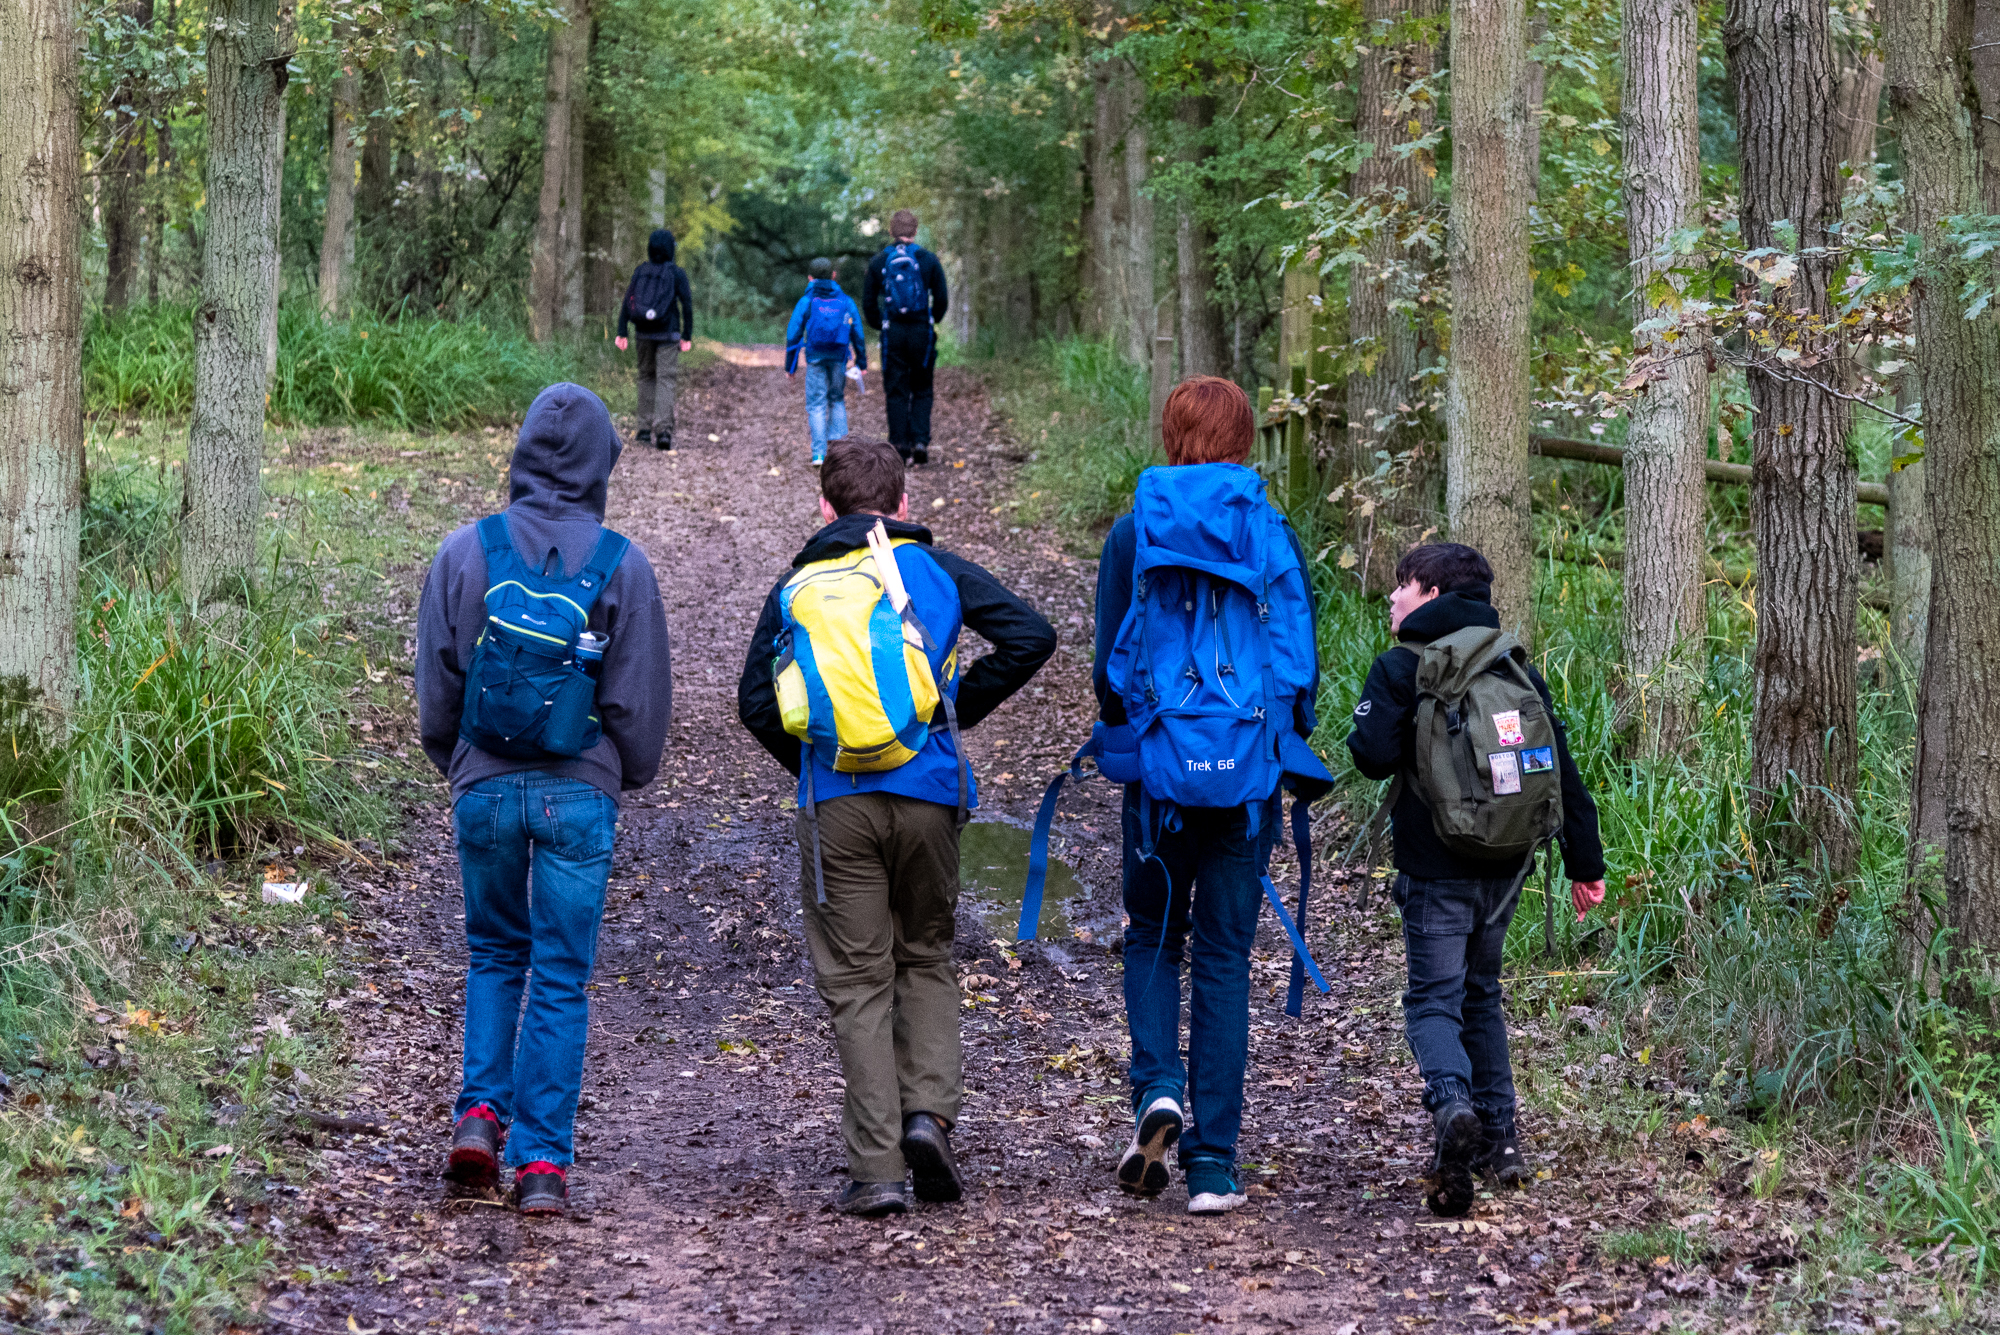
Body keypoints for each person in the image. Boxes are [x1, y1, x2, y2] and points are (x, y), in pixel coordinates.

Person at [738, 440, 1055, 1217]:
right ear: (903, 504)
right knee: (926, 955)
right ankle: (929, 1115)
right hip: (929, 792)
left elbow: (753, 702)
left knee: (856, 983)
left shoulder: (798, 584)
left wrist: (823, 765)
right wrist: (947, 718)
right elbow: (1030, 635)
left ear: (825, 507)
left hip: (837, 799)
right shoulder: (932, 569)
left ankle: (876, 1169)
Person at [416, 383, 672, 1217]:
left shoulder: (466, 550)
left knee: (494, 953)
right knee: (560, 974)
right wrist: (619, 773)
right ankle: (541, 1167)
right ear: (603, 462)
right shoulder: (623, 564)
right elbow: (639, 706)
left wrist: (461, 763)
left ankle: (479, 1119)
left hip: (483, 785)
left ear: (521, 450)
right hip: (579, 791)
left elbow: (436, 692)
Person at [1092, 376, 1330, 1216]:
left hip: (1160, 773)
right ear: (1245, 442)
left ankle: (1157, 1086)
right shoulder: (1272, 531)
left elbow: (1108, 671)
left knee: (1153, 935)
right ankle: (1214, 1165)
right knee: (1226, 956)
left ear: (1173, 435)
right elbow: (1297, 664)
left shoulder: (1135, 531)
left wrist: (1144, 738)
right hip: (1248, 776)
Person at [1345, 542, 1607, 1217]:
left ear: (1430, 592)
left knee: (1433, 1001)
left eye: (1401, 587)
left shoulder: (1401, 665)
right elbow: (1562, 766)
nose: (1393, 600)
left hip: (1436, 865)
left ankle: (1452, 1103)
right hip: (1509, 862)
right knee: (1481, 994)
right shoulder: (1511, 662)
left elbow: (1370, 757)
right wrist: (1587, 863)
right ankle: (1503, 1142)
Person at [861, 210, 948, 466]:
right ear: (915, 230)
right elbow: (942, 298)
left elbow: (868, 300)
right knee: (922, 387)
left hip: (894, 332)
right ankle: (920, 441)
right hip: (921, 330)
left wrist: (880, 323)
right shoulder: (928, 259)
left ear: (891, 231)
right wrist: (933, 319)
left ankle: (899, 445)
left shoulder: (879, 261)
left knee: (896, 388)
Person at [614, 228, 694, 451]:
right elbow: (686, 305)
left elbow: (627, 301)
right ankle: (664, 432)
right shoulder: (677, 273)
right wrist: (686, 335)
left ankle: (643, 429)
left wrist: (622, 331)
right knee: (665, 379)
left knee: (645, 377)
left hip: (643, 333)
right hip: (668, 334)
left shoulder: (641, 271)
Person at [785, 258, 869, 466]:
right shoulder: (846, 301)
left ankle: (819, 455)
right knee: (836, 399)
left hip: (815, 356)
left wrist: (790, 366)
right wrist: (862, 362)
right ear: (833, 275)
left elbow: (793, 334)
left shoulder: (807, 301)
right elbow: (858, 332)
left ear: (810, 278)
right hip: (839, 356)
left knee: (816, 405)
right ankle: (841, 453)